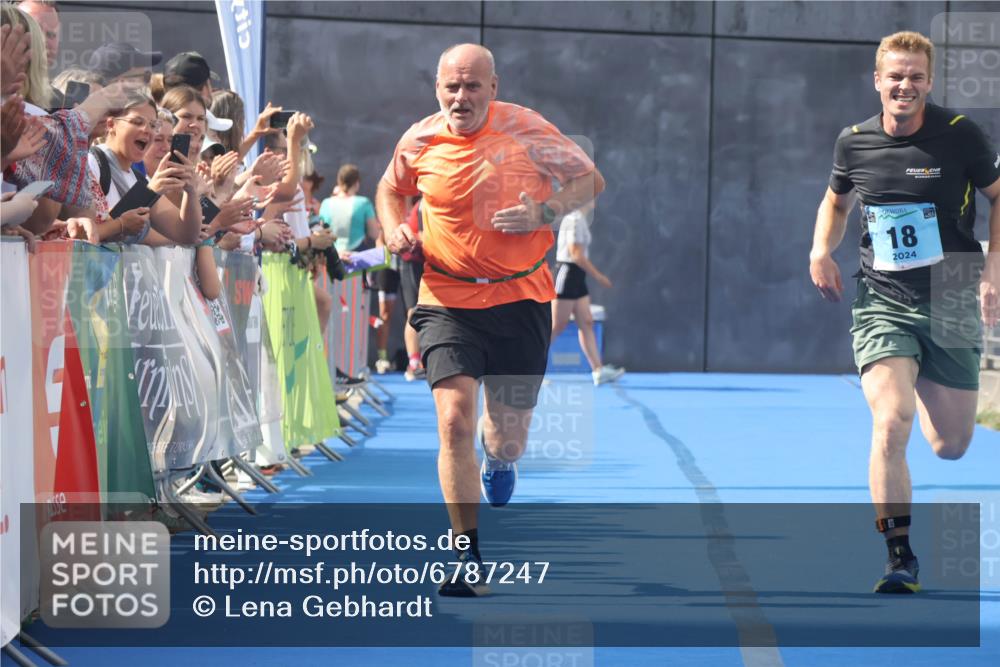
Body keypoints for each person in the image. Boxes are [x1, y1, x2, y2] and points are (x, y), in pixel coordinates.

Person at [376, 43, 604, 596]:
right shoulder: (420, 139)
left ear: (493, 88)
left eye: (472, 86)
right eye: (451, 86)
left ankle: (499, 464)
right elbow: (389, 189)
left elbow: (589, 182)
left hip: (521, 298)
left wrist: (544, 212)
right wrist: (393, 230)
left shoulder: (527, 129)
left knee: (506, 438)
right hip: (446, 297)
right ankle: (466, 557)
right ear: (437, 89)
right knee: (454, 419)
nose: (461, 97)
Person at [809, 31, 1000, 594]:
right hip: (883, 299)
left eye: (916, 76)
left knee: (952, 445)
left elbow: (998, 195)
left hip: (953, 289)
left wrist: (993, 273)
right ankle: (899, 556)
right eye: (895, 75)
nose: (905, 85)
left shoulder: (962, 137)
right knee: (891, 423)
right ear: (877, 80)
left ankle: (915, 369)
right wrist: (821, 249)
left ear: (929, 82)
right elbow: (835, 201)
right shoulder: (855, 143)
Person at [551, 201, 624, 385]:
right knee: (556, 326)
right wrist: (599, 276)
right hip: (567, 274)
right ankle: (529, 372)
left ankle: (598, 370)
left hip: (577, 276)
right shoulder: (574, 219)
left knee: (586, 322)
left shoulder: (581, 220)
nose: (594, 199)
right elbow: (575, 254)